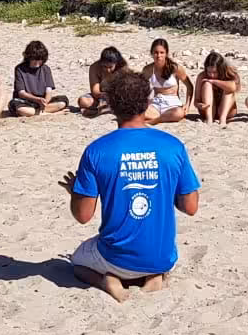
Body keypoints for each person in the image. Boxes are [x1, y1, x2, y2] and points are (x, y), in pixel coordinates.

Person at [62, 69, 201, 302]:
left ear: (111, 105)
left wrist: (75, 192)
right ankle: (154, 275)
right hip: (162, 256)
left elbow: (83, 216)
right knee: (158, 252)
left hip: (116, 258)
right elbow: (191, 206)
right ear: (148, 102)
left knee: (77, 262)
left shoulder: (97, 151)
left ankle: (106, 281)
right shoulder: (173, 146)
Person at [8, 40, 68, 117]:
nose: (37, 63)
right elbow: (21, 93)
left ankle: (37, 113)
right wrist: (37, 99)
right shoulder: (19, 69)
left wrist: (45, 102)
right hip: (25, 102)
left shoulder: (46, 69)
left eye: (39, 60)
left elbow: (49, 90)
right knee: (18, 107)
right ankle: (49, 114)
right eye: (34, 60)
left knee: (62, 102)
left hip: (41, 102)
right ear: (29, 58)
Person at [144, 39, 192, 125]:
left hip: (172, 104)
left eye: (162, 52)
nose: (159, 55)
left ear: (166, 53)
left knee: (179, 113)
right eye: (156, 52)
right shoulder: (147, 69)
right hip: (156, 104)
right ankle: (162, 118)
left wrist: (187, 105)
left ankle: (155, 120)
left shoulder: (175, 68)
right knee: (136, 111)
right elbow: (141, 88)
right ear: (151, 53)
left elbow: (189, 86)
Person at [193, 51, 241, 126]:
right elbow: (196, 101)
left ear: (221, 69)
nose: (211, 75)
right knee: (207, 84)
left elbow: (234, 88)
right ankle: (209, 119)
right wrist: (200, 105)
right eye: (209, 72)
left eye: (215, 72)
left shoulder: (230, 74)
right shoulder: (202, 76)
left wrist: (214, 81)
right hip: (208, 110)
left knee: (228, 89)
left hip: (227, 111)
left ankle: (222, 119)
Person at [77, 47, 128, 116]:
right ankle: (107, 109)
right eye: (105, 67)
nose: (108, 70)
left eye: (110, 67)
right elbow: (95, 91)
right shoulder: (94, 68)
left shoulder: (122, 67)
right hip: (101, 97)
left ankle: (102, 110)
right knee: (83, 101)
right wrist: (104, 96)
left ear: (116, 63)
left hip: (118, 97)